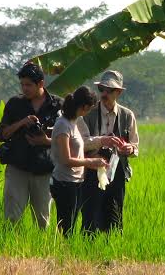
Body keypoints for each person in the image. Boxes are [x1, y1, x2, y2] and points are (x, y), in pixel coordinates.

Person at [0, 62, 63, 228]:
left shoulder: (57, 105)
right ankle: (9, 251)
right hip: (18, 166)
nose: (25, 88)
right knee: (12, 217)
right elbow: (2, 134)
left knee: (43, 219)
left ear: (41, 83)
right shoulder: (14, 104)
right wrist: (22, 123)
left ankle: (41, 252)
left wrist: (46, 141)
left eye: (29, 85)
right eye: (22, 84)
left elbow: (68, 139)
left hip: (44, 169)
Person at [79, 70, 138, 234]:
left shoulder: (127, 115)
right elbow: (78, 144)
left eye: (109, 90)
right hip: (91, 168)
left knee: (115, 213)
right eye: (102, 89)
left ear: (118, 92)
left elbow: (135, 146)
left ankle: (112, 250)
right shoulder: (87, 113)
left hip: (117, 170)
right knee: (90, 215)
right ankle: (88, 253)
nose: (104, 93)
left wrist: (129, 148)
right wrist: (98, 147)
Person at [49, 86, 108, 234]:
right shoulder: (63, 125)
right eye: (89, 109)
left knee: (71, 223)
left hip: (75, 182)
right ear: (84, 107)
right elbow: (66, 159)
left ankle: (66, 254)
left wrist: (95, 163)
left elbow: (77, 155)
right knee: (66, 227)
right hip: (64, 183)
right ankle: (61, 255)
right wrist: (91, 162)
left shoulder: (73, 123)